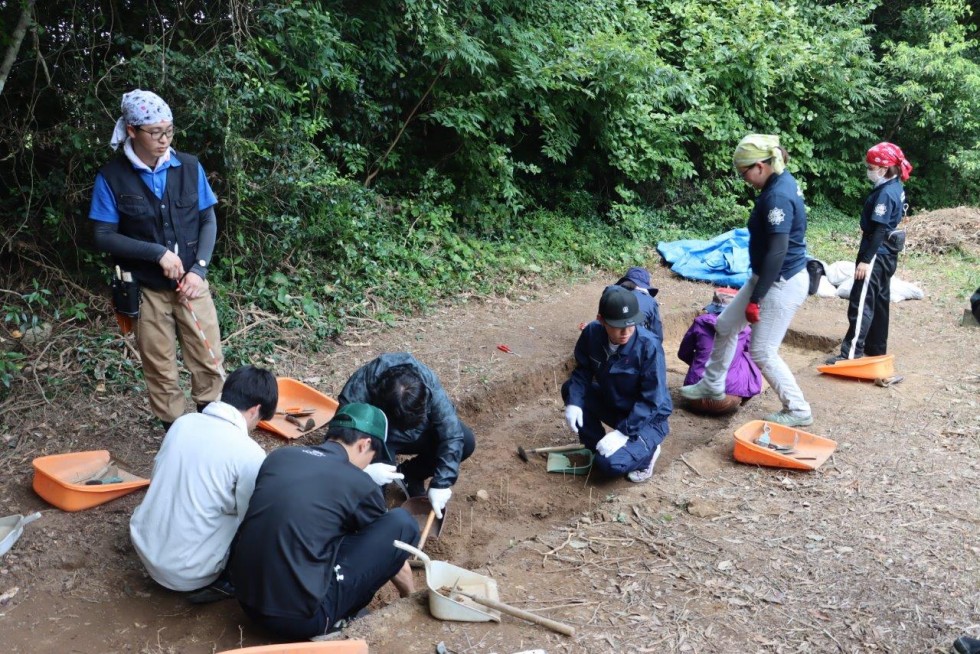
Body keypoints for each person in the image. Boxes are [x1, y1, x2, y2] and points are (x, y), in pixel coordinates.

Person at [89, 89, 223, 429]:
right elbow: (104, 236)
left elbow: (208, 219)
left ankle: (213, 432)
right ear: (132, 131)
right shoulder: (112, 177)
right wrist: (157, 253)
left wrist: (199, 270)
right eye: (155, 132)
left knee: (208, 360)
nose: (165, 140)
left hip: (192, 284)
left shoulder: (189, 166)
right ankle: (178, 437)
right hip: (146, 289)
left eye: (169, 130)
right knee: (161, 368)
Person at [228, 403, 419, 641]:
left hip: (246, 601)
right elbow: (392, 546)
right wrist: (410, 597)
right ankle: (334, 622)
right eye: (372, 457)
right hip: (301, 620)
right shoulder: (359, 483)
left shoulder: (281, 457)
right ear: (364, 444)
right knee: (402, 523)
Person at [680, 134, 813, 427]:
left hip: (780, 282)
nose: (744, 179)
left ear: (761, 166)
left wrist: (756, 298)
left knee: (762, 350)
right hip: (763, 276)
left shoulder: (777, 195)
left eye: (744, 173)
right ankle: (712, 383)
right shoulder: (779, 182)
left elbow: (778, 250)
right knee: (725, 325)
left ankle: (798, 409)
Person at [129, 365, 276, 602]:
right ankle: (222, 582)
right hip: (189, 572)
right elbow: (250, 517)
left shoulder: (183, 423)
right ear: (255, 410)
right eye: (258, 420)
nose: (255, 426)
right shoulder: (249, 452)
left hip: (145, 547)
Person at [338, 353, 475, 519]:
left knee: (465, 441)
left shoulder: (426, 382)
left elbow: (452, 434)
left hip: (419, 432)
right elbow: (340, 442)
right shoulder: (358, 393)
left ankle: (412, 475)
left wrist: (442, 483)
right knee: (373, 496)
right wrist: (364, 470)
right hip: (380, 437)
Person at [562, 286, 673, 483]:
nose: (626, 332)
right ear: (601, 320)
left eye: (631, 325)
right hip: (616, 402)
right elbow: (583, 372)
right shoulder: (591, 333)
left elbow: (652, 400)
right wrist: (574, 403)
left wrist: (622, 433)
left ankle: (647, 454)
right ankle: (596, 446)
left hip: (649, 418)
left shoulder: (648, 346)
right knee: (571, 390)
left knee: (610, 465)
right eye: (618, 325)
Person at [827, 142, 912, 364]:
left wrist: (865, 260)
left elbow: (880, 230)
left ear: (883, 170)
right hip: (888, 255)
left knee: (861, 301)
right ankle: (876, 348)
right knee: (879, 300)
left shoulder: (885, 194)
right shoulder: (896, 187)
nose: (868, 170)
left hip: (876, 253)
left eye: (871, 166)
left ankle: (850, 354)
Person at [678, 287, 762, 409]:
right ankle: (743, 396)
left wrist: (700, 363)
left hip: (693, 399)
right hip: (727, 401)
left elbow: (683, 353)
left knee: (703, 353)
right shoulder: (745, 329)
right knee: (748, 356)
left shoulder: (700, 323)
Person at [610, 266, 664, 341]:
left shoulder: (611, 295)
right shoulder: (650, 301)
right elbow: (657, 332)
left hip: (611, 340)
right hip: (636, 342)